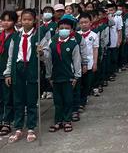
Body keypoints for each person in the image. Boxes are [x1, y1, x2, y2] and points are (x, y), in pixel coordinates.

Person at [4, 9, 43, 143]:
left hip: (31, 67)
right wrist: (8, 72)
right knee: (18, 99)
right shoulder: (16, 36)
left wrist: (41, 53)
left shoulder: (38, 35)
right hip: (18, 67)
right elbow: (10, 56)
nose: (26, 22)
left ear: (34, 21)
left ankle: (31, 127)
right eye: (24, 19)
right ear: (20, 21)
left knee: (31, 99)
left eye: (29, 19)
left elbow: (46, 55)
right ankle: (19, 127)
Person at [43, 16, 82, 133]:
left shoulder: (73, 44)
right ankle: (58, 120)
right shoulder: (52, 43)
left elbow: (76, 61)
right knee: (57, 100)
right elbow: (48, 60)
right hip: (55, 76)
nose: (64, 30)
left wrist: (76, 76)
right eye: (61, 28)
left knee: (68, 100)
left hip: (68, 77)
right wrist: (48, 75)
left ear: (71, 30)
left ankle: (67, 120)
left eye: (67, 28)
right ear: (57, 29)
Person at [0, 11, 16, 136]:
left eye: (9, 20)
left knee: (8, 98)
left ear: (14, 22)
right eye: (3, 20)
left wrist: (8, 72)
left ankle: (7, 122)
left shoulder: (16, 36)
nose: (6, 22)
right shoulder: (0, 35)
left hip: (8, 71)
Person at [78, 13, 99, 111]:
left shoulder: (94, 35)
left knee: (86, 84)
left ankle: (83, 101)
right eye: (81, 22)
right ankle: (77, 101)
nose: (84, 24)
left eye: (86, 22)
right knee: (79, 83)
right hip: (78, 63)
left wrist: (95, 63)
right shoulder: (76, 35)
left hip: (90, 62)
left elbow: (95, 49)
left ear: (90, 23)